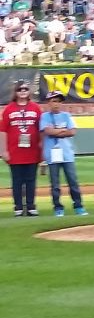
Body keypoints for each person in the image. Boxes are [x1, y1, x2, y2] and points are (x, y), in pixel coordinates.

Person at [40, 91, 88, 217]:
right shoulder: (45, 116)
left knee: (73, 181)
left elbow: (72, 132)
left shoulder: (66, 115)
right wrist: (61, 130)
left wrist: (56, 131)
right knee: (55, 184)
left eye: (59, 101)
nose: (57, 104)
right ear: (48, 103)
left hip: (67, 154)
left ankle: (78, 206)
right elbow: (47, 131)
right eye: (54, 101)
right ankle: (58, 207)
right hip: (52, 154)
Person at [0, 80, 41, 216]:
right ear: (16, 92)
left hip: (32, 151)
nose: (23, 91)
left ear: (29, 91)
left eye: (25, 89)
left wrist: (42, 149)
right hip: (14, 152)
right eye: (20, 89)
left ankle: (30, 206)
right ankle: (18, 207)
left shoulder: (35, 108)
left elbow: (41, 130)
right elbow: (3, 131)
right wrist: (3, 150)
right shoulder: (9, 109)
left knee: (31, 181)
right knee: (17, 181)